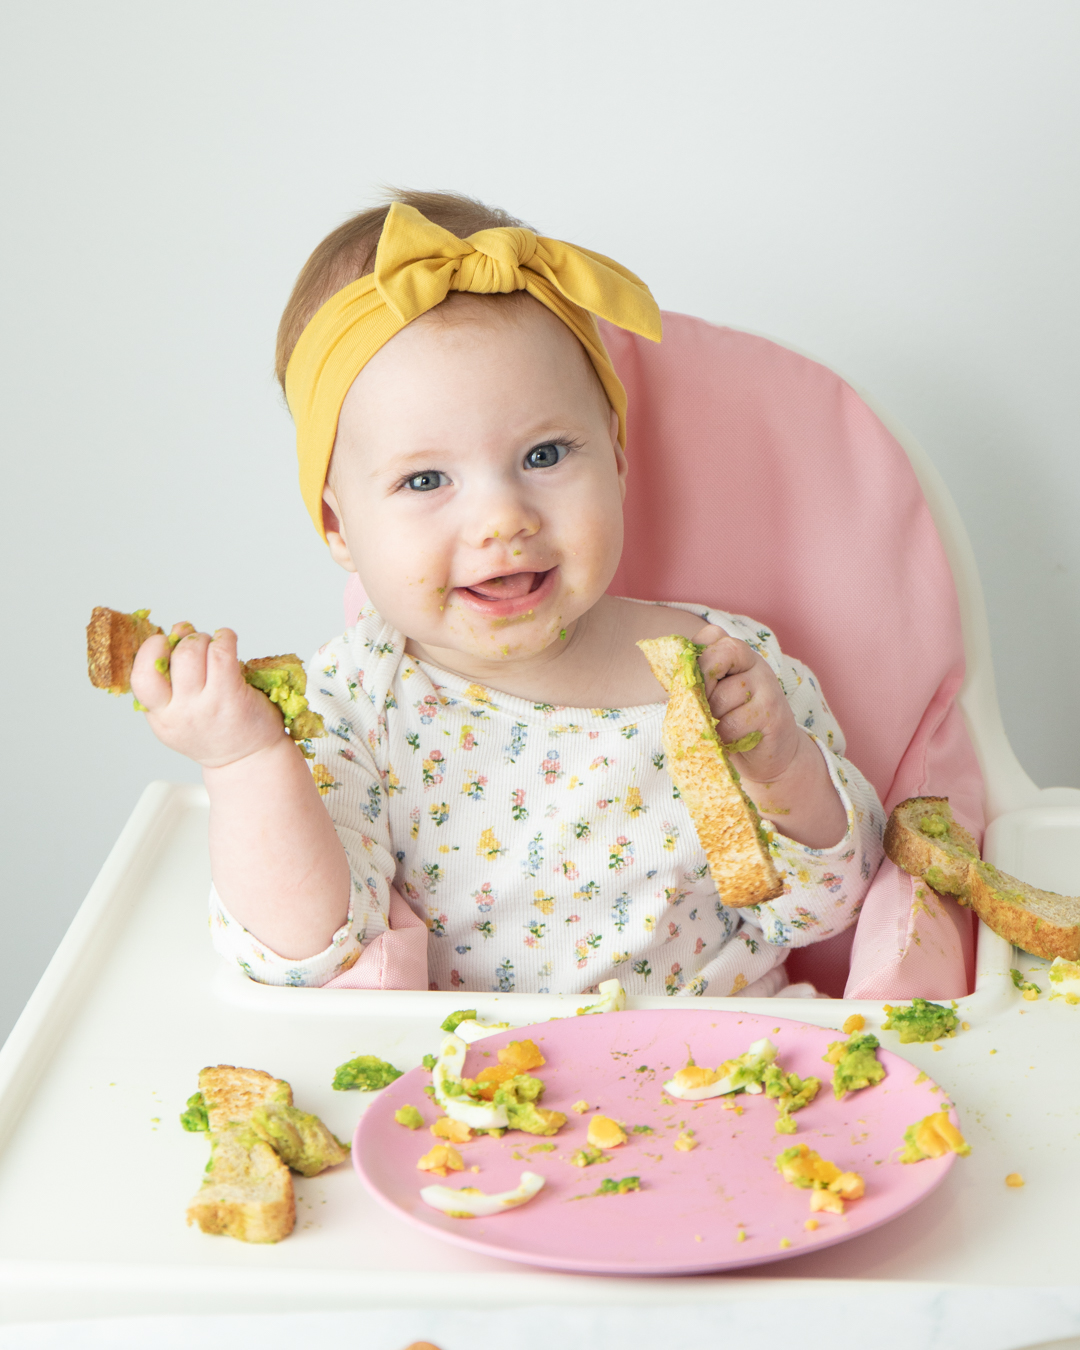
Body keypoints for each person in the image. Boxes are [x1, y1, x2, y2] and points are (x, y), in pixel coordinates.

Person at [131, 189, 885, 997]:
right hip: (460, 1099)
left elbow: (823, 917)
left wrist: (786, 774)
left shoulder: (722, 670)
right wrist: (245, 762)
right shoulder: (357, 703)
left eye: (545, 455)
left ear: (619, 463)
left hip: (722, 1079)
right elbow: (310, 955)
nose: (501, 518)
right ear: (339, 528)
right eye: (426, 478)